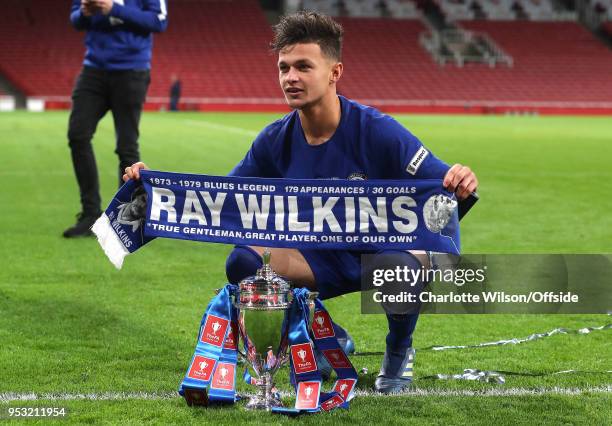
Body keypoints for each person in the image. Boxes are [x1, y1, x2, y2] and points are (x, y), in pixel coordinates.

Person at [123, 11, 478, 393]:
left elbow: (442, 186)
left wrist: (460, 180)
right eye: (284, 67)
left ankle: (397, 352)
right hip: (318, 260)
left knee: (399, 267)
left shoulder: (377, 130)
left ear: (334, 72)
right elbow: (217, 200)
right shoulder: (274, 140)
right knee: (243, 260)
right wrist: (154, 187)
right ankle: (325, 340)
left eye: (304, 66)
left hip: (381, 256)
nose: (291, 77)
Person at [63, 0, 168, 238]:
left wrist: (114, 9)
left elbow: (159, 21)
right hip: (94, 69)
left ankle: (124, 222)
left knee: (127, 147)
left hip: (132, 70)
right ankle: (90, 214)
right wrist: (84, 12)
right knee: (77, 134)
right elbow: (75, 19)